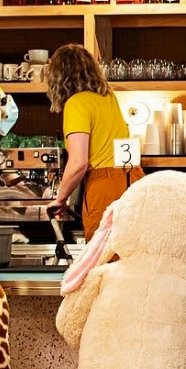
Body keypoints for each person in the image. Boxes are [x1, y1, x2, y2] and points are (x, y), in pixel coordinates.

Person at [44, 43, 145, 240]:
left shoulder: (76, 103)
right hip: (134, 179)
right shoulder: (108, 97)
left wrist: (60, 199)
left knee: (103, 261)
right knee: (133, 259)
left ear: (59, 76)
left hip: (104, 187)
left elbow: (78, 162)